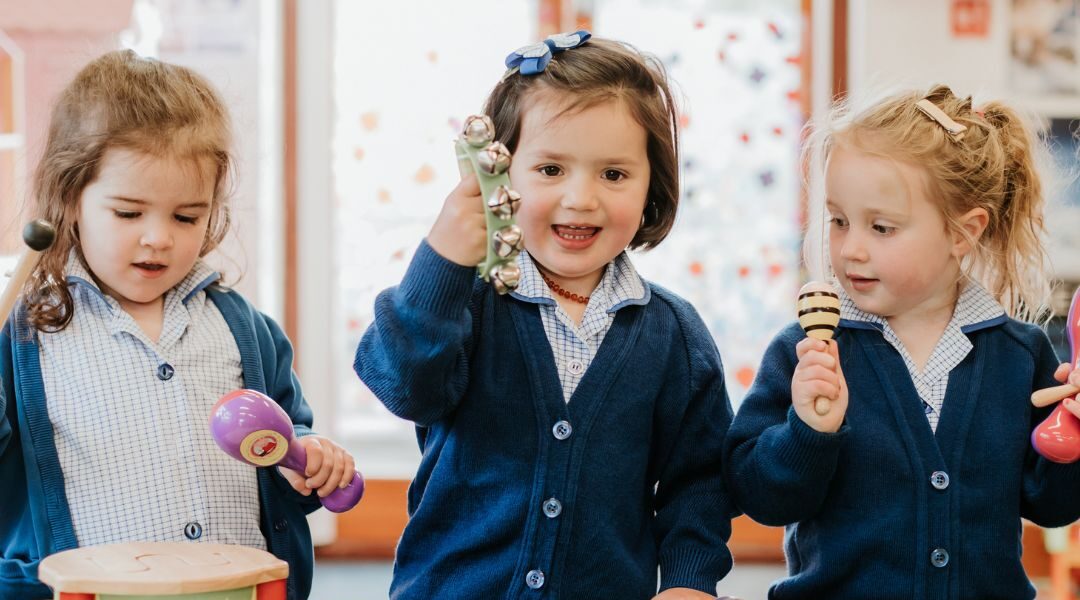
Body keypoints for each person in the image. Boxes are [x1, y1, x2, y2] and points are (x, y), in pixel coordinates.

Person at [355, 31, 737, 599]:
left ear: (652, 183)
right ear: (499, 176)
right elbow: (406, 386)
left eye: (614, 174)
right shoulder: (465, 300)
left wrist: (690, 581)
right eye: (551, 170)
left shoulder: (674, 335)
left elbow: (699, 481)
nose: (581, 199)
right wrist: (441, 264)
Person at [0, 50, 355, 600]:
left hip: (237, 588)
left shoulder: (247, 333)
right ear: (70, 199)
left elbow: (285, 448)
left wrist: (309, 460)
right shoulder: (25, 339)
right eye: (128, 213)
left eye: (186, 216)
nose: (159, 237)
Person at [724, 84, 1080, 599]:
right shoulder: (804, 350)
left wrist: (1071, 442)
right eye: (839, 221)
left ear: (963, 232)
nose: (851, 249)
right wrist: (808, 432)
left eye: (882, 228)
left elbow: (1053, 506)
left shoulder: (1021, 357)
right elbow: (760, 498)